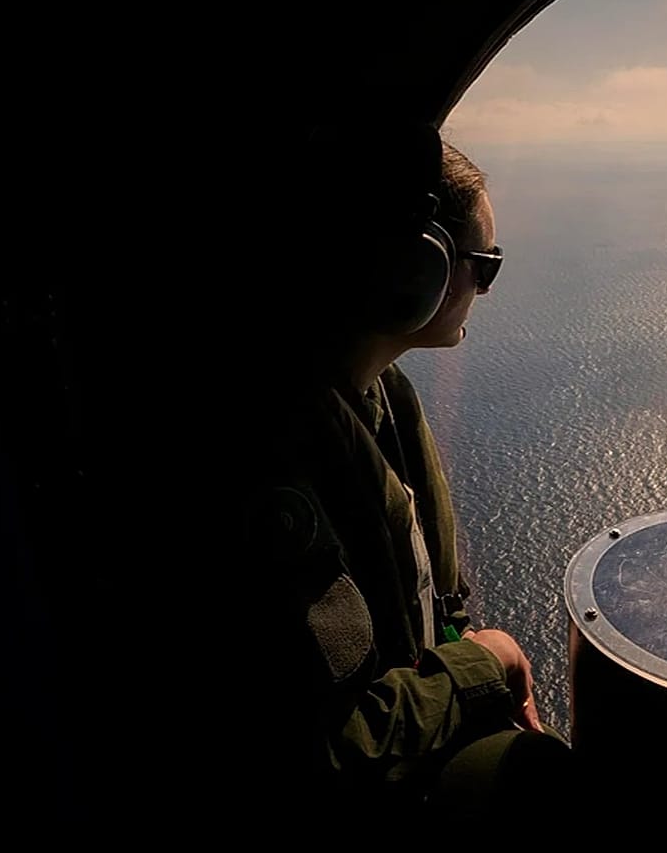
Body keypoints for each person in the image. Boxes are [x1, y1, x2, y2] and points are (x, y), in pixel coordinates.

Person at [242, 126, 570, 823]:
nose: (487, 288)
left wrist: (467, 667)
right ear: (415, 272)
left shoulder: (381, 398)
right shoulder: (273, 465)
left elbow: (436, 606)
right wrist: (491, 665)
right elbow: (328, 752)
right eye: (484, 267)